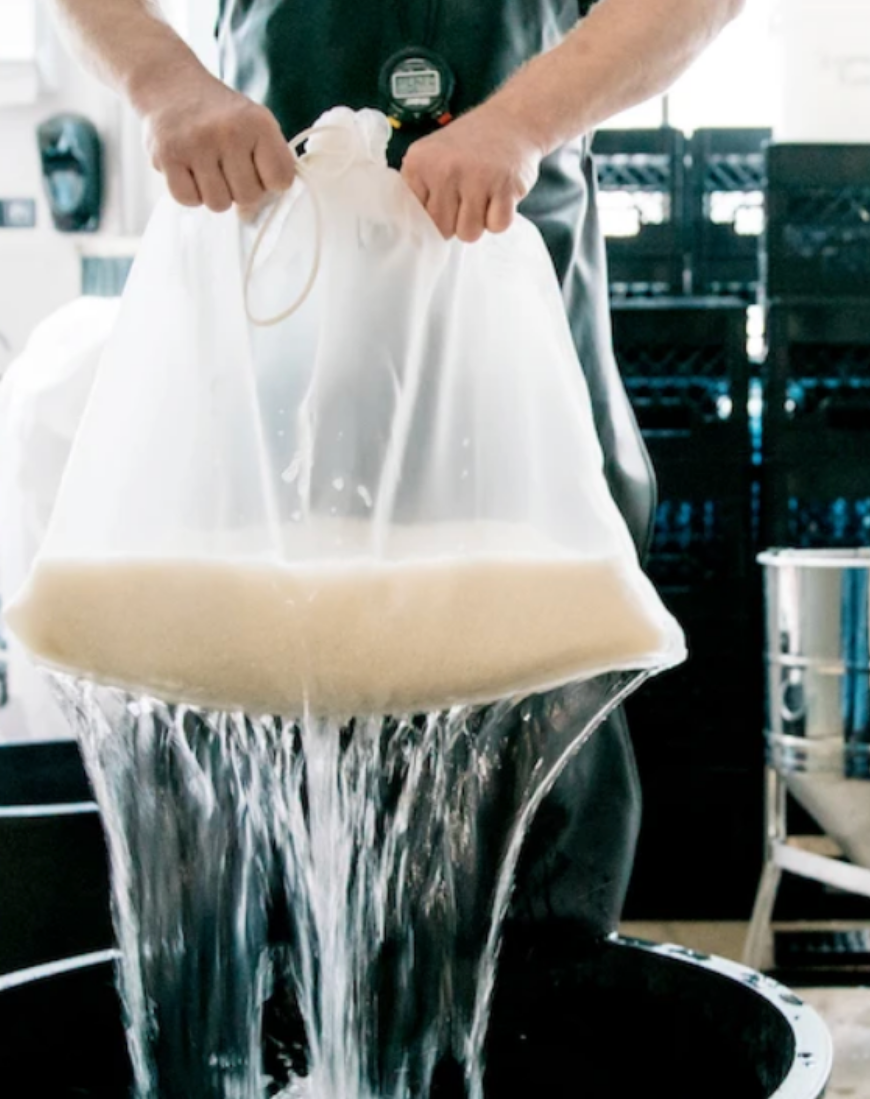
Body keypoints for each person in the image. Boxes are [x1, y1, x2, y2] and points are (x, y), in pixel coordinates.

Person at [52, 0, 743, 936]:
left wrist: (518, 122)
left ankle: (533, 1048)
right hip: (278, 300)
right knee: (261, 738)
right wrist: (165, 84)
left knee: (536, 727)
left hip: (508, 285)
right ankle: (283, 1059)